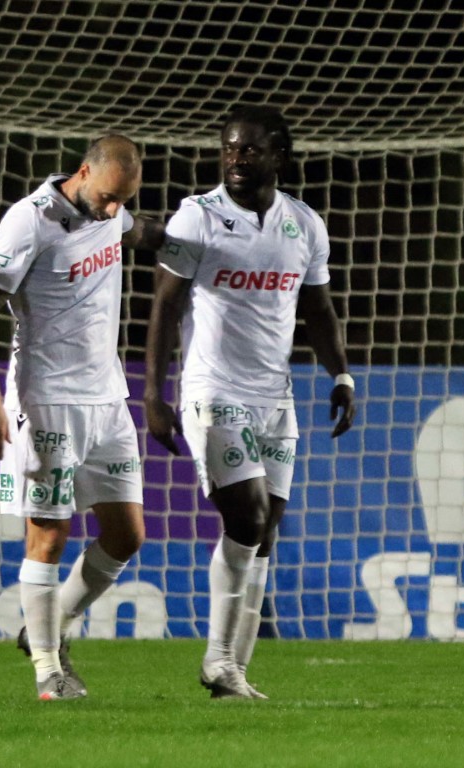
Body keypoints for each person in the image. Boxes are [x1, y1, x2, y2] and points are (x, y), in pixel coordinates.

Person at [144, 106, 355, 699]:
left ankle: (233, 670)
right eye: (230, 149)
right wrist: (154, 393)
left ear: (278, 157)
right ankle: (217, 659)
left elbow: (317, 309)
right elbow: (165, 305)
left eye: (250, 149)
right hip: (213, 391)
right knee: (248, 517)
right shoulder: (198, 216)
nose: (236, 158)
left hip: (275, 397)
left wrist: (341, 374)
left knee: (265, 534)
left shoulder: (304, 224)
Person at [0, 135, 165, 700]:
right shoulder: (29, 221)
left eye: (123, 200)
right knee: (48, 536)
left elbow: (142, 231)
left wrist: (204, 238)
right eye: (107, 197)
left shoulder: (112, 212)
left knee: (126, 535)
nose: (112, 210)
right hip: (46, 399)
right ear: (83, 172)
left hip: (108, 399)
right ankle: (48, 672)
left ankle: (47, 627)